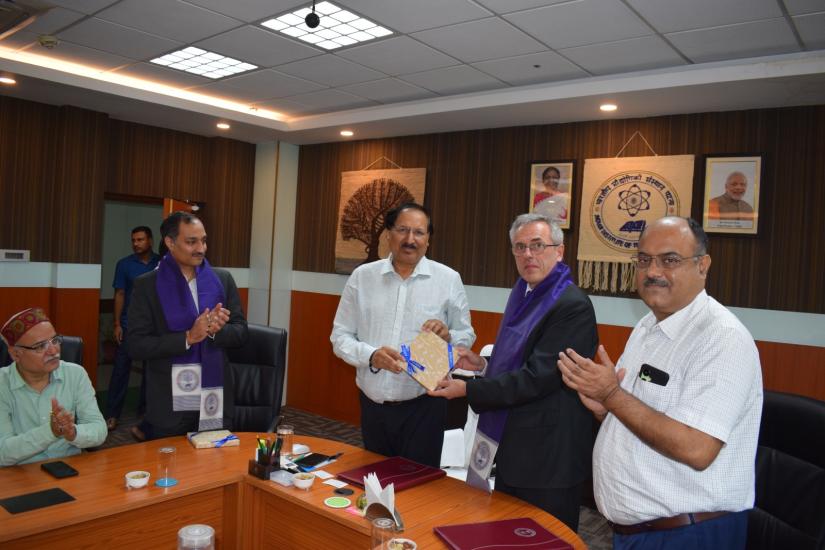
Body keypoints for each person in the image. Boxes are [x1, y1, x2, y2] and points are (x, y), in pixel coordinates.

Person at [558, 217, 762, 549]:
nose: (653, 271)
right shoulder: (646, 327)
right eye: (644, 260)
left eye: (669, 260)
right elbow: (638, 413)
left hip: (688, 534)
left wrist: (611, 395)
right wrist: (604, 409)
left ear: (702, 266)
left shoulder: (722, 339)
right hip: (637, 532)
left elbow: (697, 448)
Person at [429, 213, 598, 532]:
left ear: (559, 251)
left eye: (537, 245)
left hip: (549, 456)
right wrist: (482, 366)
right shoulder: (524, 294)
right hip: (516, 447)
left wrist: (468, 390)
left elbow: (539, 377)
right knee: (506, 534)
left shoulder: (571, 305)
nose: (528, 255)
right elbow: (519, 363)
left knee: (544, 538)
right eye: (519, 247)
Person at [331, 203, 475, 468]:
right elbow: (340, 337)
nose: (411, 240)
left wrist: (449, 336)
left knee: (419, 489)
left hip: (425, 405)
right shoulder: (362, 277)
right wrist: (371, 356)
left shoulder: (448, 279)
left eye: (419, 233)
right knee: (375, 484)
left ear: (428, 239)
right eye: (403, 230)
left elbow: (466, 333)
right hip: (372, 404)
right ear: (388, 234)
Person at [128, 211, 248, 439]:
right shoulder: (147, 286)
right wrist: (188, 337)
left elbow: (241, 333)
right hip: (169, 405)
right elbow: (136, 345)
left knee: (215, 469)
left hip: (214, 398)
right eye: (191, 242)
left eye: (203, 241)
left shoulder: (222, 279)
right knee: (171, 472)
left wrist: (214, 331)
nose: (201, 248)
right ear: (170, 243)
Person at [0, 308, 106, 466]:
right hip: (19, 474)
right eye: (40, 346)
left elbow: (99, 429)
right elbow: (3, 452)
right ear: (16, 354)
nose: (53, 350)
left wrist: (73, 433)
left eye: (55, 340)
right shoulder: (2, 384)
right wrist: (50, 432)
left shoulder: (75, 374)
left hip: (69, 468)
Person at [105, 226, 161, 431]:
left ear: (150, 241)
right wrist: (117, 323)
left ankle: (144, 412)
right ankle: (112, 414)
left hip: (154, 328)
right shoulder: (124, 264)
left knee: (151, 372)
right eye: (133, 240)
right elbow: (119, 294)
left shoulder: (161, 263)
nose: (136, 244)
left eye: (140, 240)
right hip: (129, 326)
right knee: (121, 370)